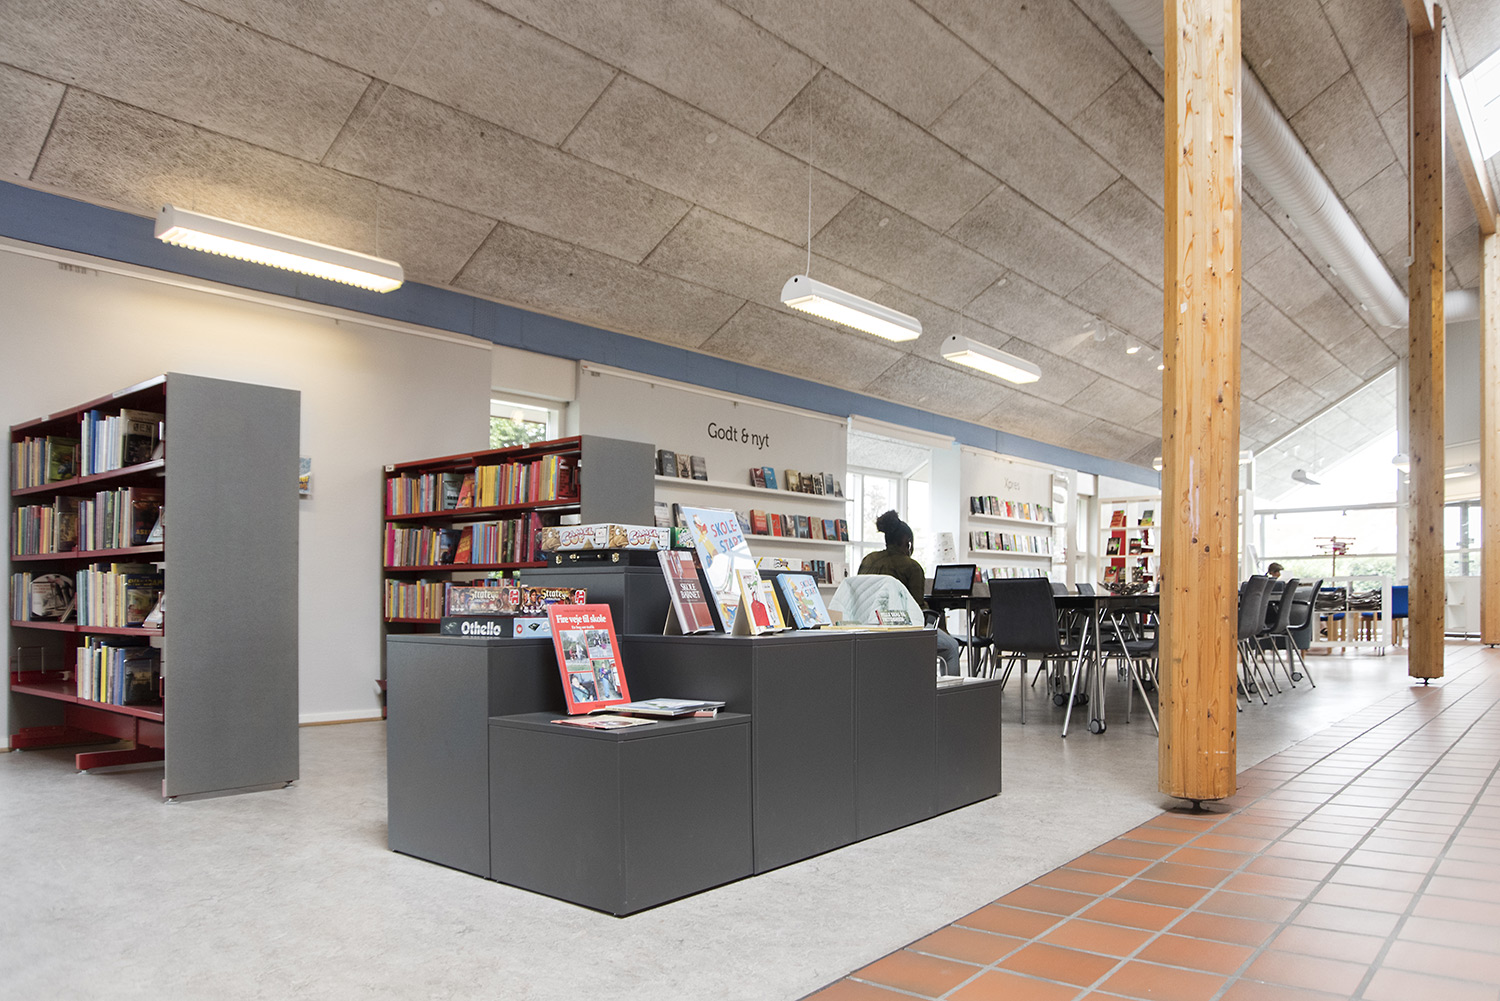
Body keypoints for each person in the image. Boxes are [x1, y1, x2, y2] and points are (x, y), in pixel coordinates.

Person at [859, 511, 962, 675]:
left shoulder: (868, 560)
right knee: (951, 647)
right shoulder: (912, 567)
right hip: (900, 633)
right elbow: (917, 610)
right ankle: (950, 690)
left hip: (866, 629)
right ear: (906, 541)